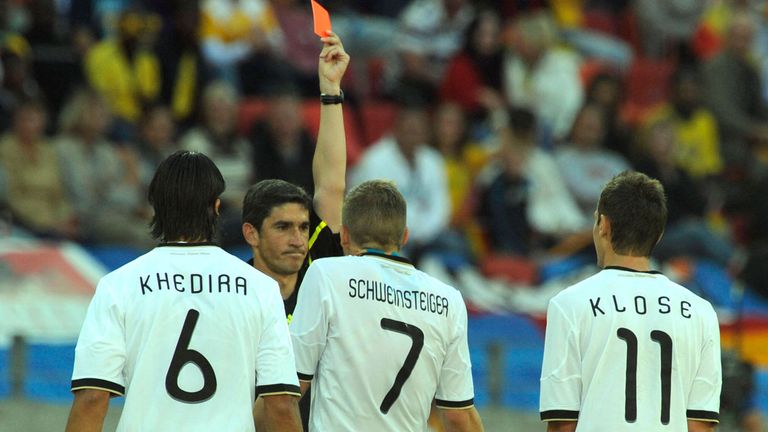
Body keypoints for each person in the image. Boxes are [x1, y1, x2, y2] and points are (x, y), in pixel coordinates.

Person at [65, 150, 302, 432]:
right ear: (216, 207)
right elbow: (281, 404)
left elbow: (93, 397)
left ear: (156, 207)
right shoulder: (260, 288)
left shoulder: (118, 285)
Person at [290, 180, 485, 432]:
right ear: (404, 237)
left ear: (345, 235)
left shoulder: (326, 274)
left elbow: (288, 390)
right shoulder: (449, 299)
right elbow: (459, 417)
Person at [539, 171, 722, 431]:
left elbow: (563, 424)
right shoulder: (701, 312)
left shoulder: (569, 305)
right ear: (658, 235)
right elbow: (700, 426)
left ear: (603, 225)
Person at [242, 31, 348, 429]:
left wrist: (330, 90)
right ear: (251, 233)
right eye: (283, 227)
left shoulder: (319, 271)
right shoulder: (235, 289)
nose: (298, 239)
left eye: (303, 227)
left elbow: (332, 184)